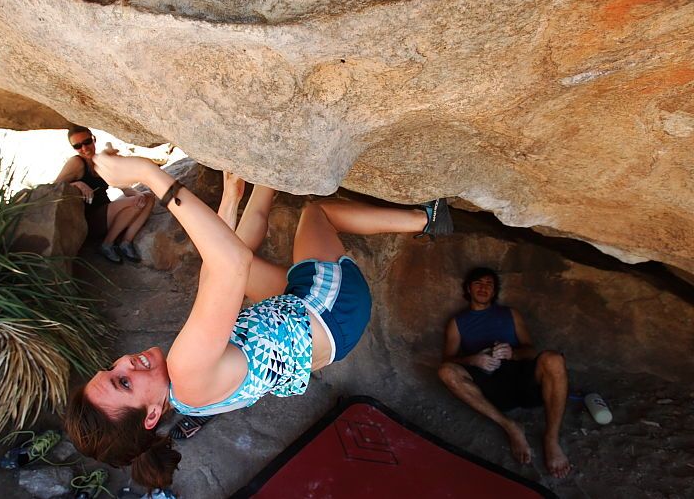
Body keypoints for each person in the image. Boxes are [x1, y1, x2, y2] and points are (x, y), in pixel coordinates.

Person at [64, 151, 453, 489]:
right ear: (151, 415)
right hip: (333, 309)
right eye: (124, 382)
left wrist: (240, 191)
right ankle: (428, 219)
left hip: (318, 333)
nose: (125, 362)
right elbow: (232, 262)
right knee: (316, 215)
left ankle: (267, 175)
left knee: (231, 263)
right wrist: (146, 171)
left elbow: (220, 273)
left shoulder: (190, 401)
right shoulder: (185, 371)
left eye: (110, 367)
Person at [437, 267, 571, 478]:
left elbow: (531, 350)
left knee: (554, 359)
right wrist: (473, 359)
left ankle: (551, 439)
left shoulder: (510, 314)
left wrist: (512, 353)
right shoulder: (457, 323)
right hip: (489, 387)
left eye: (489, 284)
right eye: (478, 283)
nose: (483, 288)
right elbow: (447, 360)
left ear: (495, 291)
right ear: (468, 289)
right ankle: (511, 427)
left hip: (522, 379)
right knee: (446, 372)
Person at [54, 125, 154, 263]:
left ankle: (126, 242)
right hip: (91, 220)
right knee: (134, 203)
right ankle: (106, 244)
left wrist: (139, 195)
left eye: (87, 142)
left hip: (107, 212)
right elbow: (54, 185)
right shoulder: (77, 162)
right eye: (77, 146)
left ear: (93, 139)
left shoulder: (100, 162)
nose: (84, 148)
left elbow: (124, 188)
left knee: (148, 197)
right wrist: (77, 184)